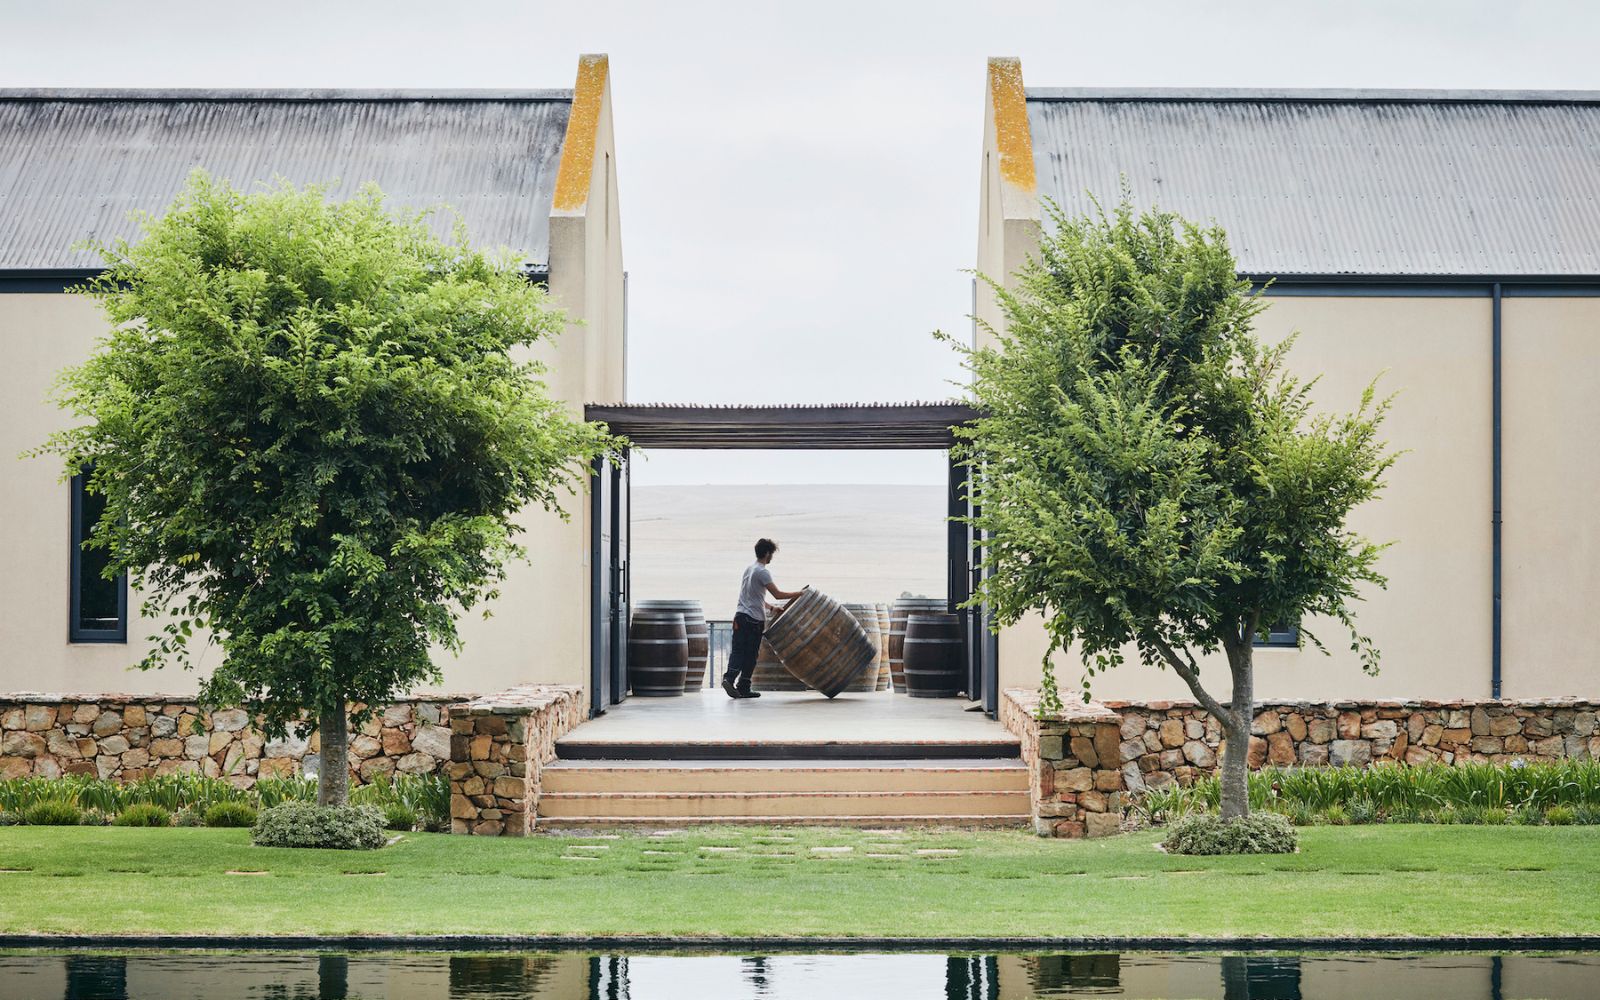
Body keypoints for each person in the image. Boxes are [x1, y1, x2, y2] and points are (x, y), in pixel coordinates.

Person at [723, 538, 805, 699]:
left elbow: (754, 597)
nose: (771, 557)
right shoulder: (763, 571)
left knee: (738, 651)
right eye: (771, 554)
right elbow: (778, 594)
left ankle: (729, 678)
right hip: (754, 620)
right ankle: (744, 687)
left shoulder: (749, 569)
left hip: (740, 616)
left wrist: (772, 608)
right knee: (751, 655)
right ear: (767, 553)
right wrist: (800, 593)